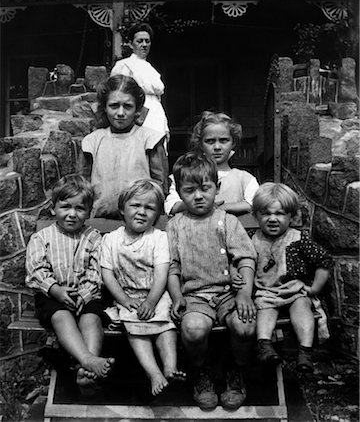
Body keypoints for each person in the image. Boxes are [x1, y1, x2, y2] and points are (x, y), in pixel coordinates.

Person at [166, 152, 257, 411]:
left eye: (205, 188)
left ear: (216, 189)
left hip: (229, 292)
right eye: (189, 190)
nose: (198, 196)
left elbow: (246, 258)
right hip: (195, 296)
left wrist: (244, 294)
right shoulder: (175, 226)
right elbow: (172, 266)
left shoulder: (226, 221)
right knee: (193, 329)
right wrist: (177, 297)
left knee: (245, 325)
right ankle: (201, 372)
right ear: (180, 194)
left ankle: (235, 371)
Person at [25, 174, 114, 394]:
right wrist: (55, 290)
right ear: (54, 208)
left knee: (92, 318)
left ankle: (87, 370)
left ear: (89, 211)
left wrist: (83, 295)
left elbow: (97, 270)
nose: (72, 214)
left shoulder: (93, 237)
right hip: (51, 295)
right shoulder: (41, 237)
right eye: (65, 207)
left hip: (87, 294)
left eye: (80, 209)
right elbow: (36, 270)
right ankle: (88, 360)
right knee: (61, 316)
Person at [101, 179, 185, 396]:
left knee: (166, 325)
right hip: (126, 295)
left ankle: (170, 368)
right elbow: (108, 275)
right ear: (122, 209)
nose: (141, 212)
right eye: (135, 206)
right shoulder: (111, 240)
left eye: (149, 208)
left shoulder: (159, 238)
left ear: (157, 215)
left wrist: (151, 301)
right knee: (133, 324)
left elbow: (161, 272)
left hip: (155, 294)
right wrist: (124, 300)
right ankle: (153, 373)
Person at [237, 182, 333, 373]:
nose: (272, 219)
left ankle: (304, 352)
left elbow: (324, 262)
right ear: (255, 215)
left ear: (292, 215)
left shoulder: (298, 239)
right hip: (265, 291)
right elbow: (239, 262)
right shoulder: (251, 239)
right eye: (265, 213)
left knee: (302, 307)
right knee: (264, 309)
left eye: (280, 214)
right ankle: (264, 346)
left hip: (294, 289)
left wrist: (314, 288)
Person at [81, 74, 168, 218]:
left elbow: (160, 185)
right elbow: (82, 187)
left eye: (127, 106)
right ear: (104, 107)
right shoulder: (92, 142)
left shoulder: (150, 139)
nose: (120, 113)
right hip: (99, 221)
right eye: (114, 106)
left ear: (137, 109)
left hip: (140, 221)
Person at [164, 111, 259, 216]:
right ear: (200, 144)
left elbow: (257, 203)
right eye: (210, 141)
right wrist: (200, 205)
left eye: (224, 140)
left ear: (233, 143)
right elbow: (171, 206)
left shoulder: (244, 178)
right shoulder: (185, 174)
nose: (217, 147)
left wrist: (224, 207)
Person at [110, 22, 169, 141]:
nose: (144, 45)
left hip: (156, 113)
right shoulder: (124, 65)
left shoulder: (151, 68)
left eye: (147, 41)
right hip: (137, 113)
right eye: (140, 41)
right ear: (131, 44)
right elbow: (116, 94)